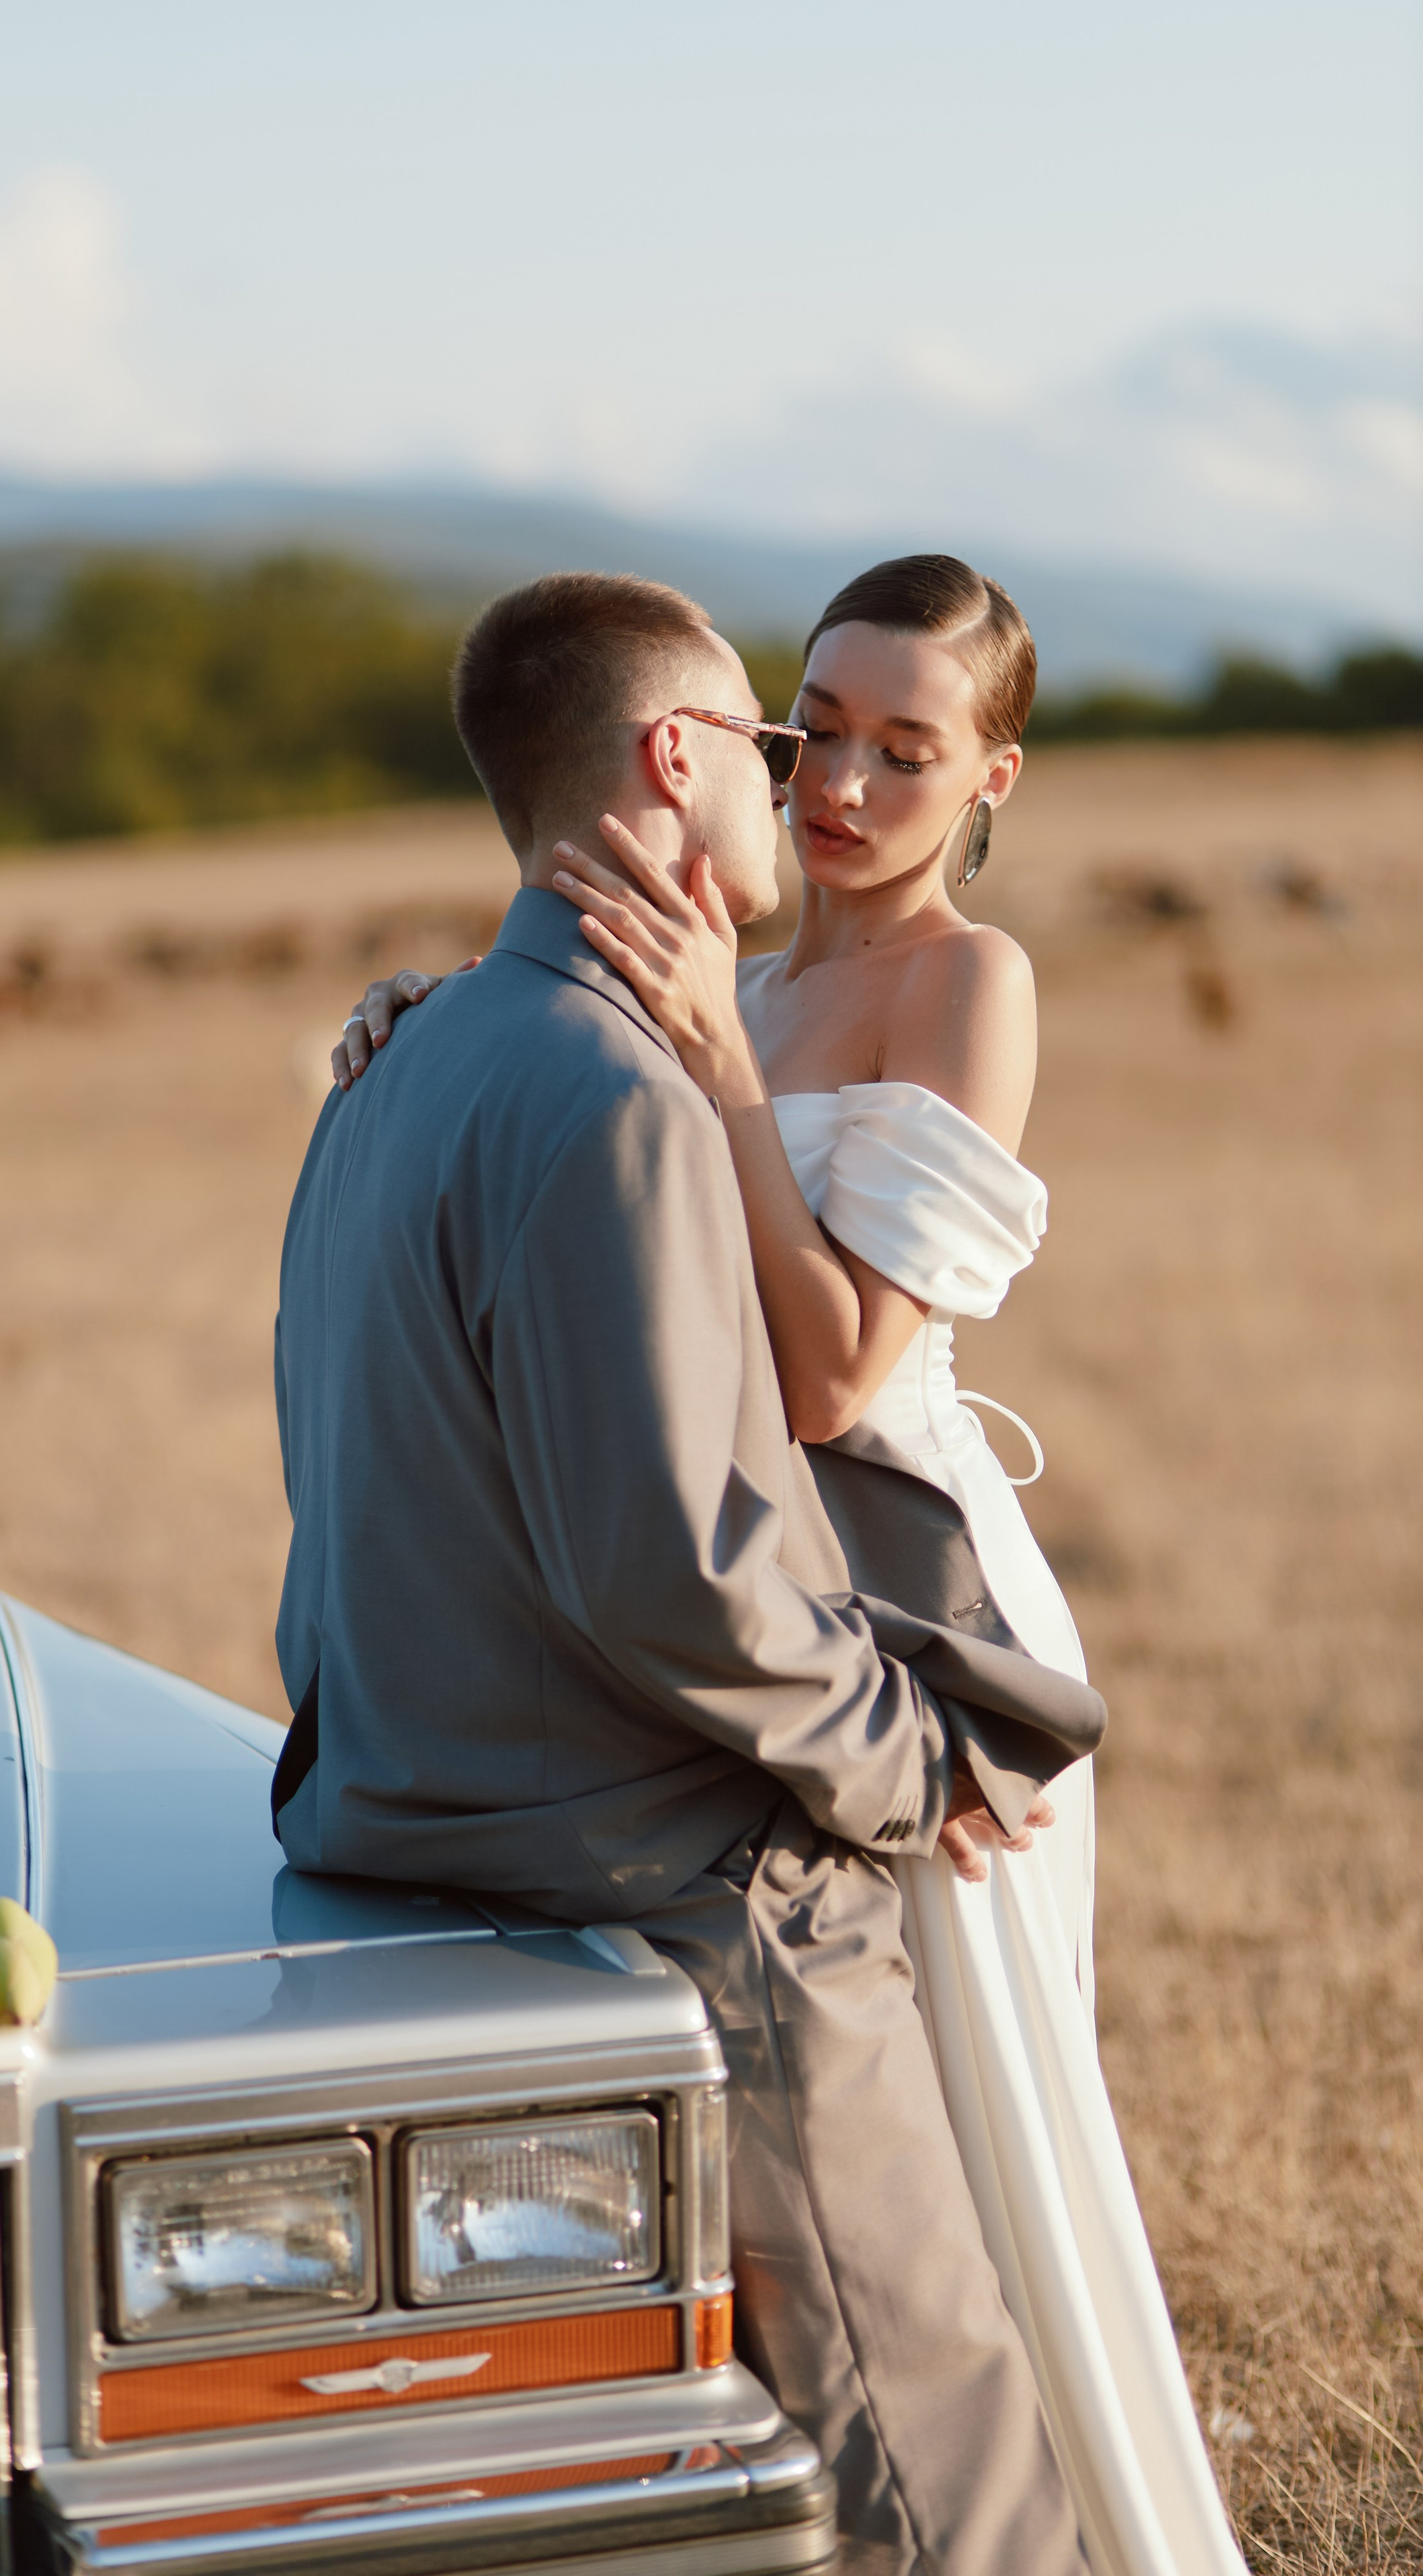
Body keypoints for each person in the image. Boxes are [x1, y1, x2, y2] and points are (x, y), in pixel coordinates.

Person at [332, 559, 1249, 2576]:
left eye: (903, 751)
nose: (839, 783)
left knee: (944, 2151)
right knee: (811, 2172)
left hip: (890, 1608)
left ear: (990, 774)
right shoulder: (709, 957)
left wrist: (725, 1079)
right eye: (813, 727)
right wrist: (462, 1016)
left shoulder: (964, 984)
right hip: (743, 1615)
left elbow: (834, 1374)